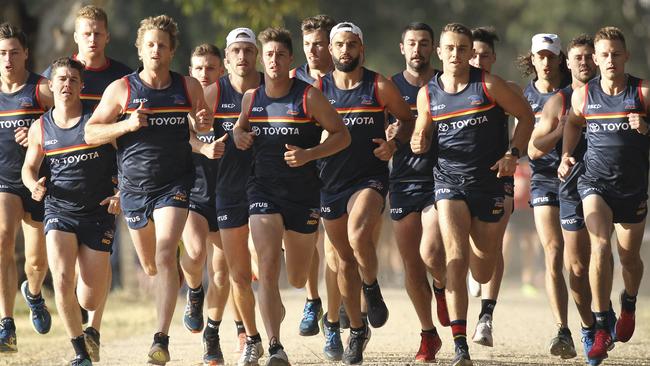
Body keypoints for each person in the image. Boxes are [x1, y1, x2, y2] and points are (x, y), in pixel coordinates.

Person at [84, 15, 210, 365]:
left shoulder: (188, 87)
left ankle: (161, 339)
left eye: (163, 45)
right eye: (150, 44)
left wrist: (202, 124)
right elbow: (91, 132)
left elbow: (201, 126)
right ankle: (185, 284)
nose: (156, 50)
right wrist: (127, 123)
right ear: (140, 48)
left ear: (172, 51)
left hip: (176, 184)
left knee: (166, 253)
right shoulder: (122, 89)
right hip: (135, 189)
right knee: (152, 266)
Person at [411, 23, 534, 366]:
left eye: (462, 49)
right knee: (455, 256)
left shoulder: (489, 85)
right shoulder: (428, 93)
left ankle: (479, 300)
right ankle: (460, 344)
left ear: (470, 52)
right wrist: (417, 140)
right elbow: (421, 132)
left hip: (490, 182)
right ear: (440, 52)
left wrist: (513, 153)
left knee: (481, 267)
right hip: (448, 181)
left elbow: (525, 116)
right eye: (449, 49)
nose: (455, 55)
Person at [233, 26, 350, 366]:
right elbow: (241, 126)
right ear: (262, 59)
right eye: (268, 54)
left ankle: (289, 303)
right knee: (267, 267)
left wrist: (310, 154)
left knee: (297, 277)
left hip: (302, 195)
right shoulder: (252, 97)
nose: (273, 60)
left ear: (290, 60)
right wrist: (240, 135)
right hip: (262, 190)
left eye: (280, 55)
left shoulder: (308, 96)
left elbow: (341, 135)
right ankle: (274, 346)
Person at [318, 21, 414, 365]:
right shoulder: (316, 89)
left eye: (352, 45)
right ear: (331, 51)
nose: (346, 51)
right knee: (343, 261)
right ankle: (356, 331)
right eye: (340, 45)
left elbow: (407, 119)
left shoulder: (378, 85)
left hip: (368, 179)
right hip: (329, 183)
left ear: (362, 49)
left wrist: (393, 143)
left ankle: (371, 288)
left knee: (359, 235)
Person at [42, 7, 132, 360]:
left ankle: (93, 323)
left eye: (98, 33)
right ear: (76, 36)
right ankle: (81, 341)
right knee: (60, 271)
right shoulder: (61, 74)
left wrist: (126, 185)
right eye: (86, 33)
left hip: (105, 187)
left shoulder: (124, 78)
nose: (92, 38)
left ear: (106, 36)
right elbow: (43, 119)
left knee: (92, 282)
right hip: (62, 188)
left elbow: (131, 137)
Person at [559, 26, 648, 363]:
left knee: (628, 259)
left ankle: (628, 302)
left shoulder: (642, 91)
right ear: (595, 60)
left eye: (616, 54)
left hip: (633, 188)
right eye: (604, 55)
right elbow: (573, 122)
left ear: (625, 56)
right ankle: (599, 326)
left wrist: (646, 127)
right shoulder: (583, 96)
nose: (610, 60)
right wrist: (568, 154)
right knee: (598, 244)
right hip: (594, 182)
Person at [22, 57, 119, 366]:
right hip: (58, 210)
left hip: (97, 213)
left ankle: (90, 328)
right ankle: (80, 353)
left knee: (88, 297)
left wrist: (120, 194)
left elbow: (125, 161)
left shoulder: (96, 123)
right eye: (61, 79)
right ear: (52, 85)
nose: (66, 84)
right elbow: (28, 167)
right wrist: (32, 185)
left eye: (73, 80)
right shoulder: (41, 127)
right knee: (62, 276)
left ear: (81, 87)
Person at [530, 34, 611, 365]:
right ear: (569, 62)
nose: (584, 62)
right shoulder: (559, 101)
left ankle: (605, 314)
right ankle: (582, 327)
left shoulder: (618, 93)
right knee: (570, 263)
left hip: (607, 185)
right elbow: (533, 149)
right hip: (561, 185)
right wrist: (562, 132)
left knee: (602, 251)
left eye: (589, 56)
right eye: (577, 57)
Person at [202, 27, 266, 366]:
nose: (242, 57)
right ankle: (242, 335)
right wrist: (205, 145)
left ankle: (264, 333)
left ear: (256, 55)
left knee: (263, 266)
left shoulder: (271, 88)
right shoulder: (213, 93)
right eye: (236, 51)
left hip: (269, 189)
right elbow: (189, 138)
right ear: (226, 59)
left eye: (248, 50)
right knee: (229, 273)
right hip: (224, 191)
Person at [387, 22, 447, 363]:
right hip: (403, 180)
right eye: (412, 43)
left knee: (430, 252)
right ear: (402, 47)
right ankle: (428, 335)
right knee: (411, 264)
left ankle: (440, 285)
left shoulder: (445, 84)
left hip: (440, 180)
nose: (417, 50)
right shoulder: (390, 86)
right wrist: (390, 133)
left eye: (424, 43)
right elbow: (378, 132)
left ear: (433, 48)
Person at [520, 33, 579, 357]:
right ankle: (563, 329)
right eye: (539, 56)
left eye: (550, 55)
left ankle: (596, 314)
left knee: (576, 259)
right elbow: (527, 146)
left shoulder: (576, 92)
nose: (545, 61)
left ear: (560, 58)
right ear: (532, 59)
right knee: (553, 251)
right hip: (543, 178)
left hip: (579, 177)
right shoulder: (524, 96)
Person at [467, 26, 523, 348]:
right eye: (472, 53)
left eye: (484, 55)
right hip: (458, 179)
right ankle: (470, 269)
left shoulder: (507, 89)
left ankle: (486, 318)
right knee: (461, 241)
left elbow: (525, 124)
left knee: (495, 242)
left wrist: (512, 153)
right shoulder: (451, 90)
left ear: (494, 58)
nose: (477, 60)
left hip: (498, 178)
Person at [0, 22, 53, 353]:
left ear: (26, 54)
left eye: (14, 53)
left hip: (39, 182)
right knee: (3, 238)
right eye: (2, 54)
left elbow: (68, 119)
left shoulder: (41, 89)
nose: (7, 60)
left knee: (35, 262)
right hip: (4, 180)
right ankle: (6, 324)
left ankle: (32, 292)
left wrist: (38, 129)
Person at [290, 14, 337, 343]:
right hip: (302, 172)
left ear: (332, 45)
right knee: (309, 242)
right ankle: (312, 300)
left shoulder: (346, 77)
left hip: (341, 172)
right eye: (307, 44)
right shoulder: (292, 79)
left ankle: (341, 306)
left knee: (335, 244)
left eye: (319, 43)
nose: (313, 50)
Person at [182, 43, 228, 366]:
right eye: (198, 68)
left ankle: (212, 335)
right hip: (194, 195)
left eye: (210, 68)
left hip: (229, 197)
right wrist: (200, 145)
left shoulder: (234, 102)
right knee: (196, 254)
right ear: (190, 72)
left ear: (221, 72)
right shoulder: (179, 105)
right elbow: (176, 142)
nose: (204, 74)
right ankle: (194, 292)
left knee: (223, 273)